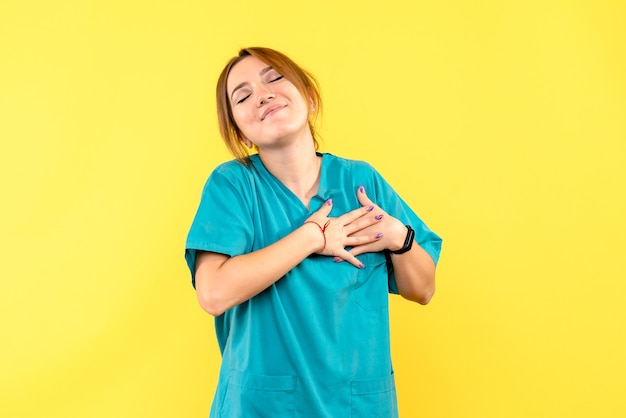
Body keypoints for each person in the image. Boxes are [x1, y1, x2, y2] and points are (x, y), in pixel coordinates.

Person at [185, 47, 442, 417]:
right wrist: (311, 237)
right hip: (260, 405)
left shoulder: (360, 181)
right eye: (243, 96)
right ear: (240, 133)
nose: (263, 94)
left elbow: (424, 289)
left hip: (355, 405)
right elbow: (212, 293)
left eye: (275, 78)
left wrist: (398, 238)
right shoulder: (233, 186)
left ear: (309, 96)